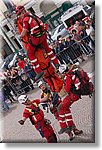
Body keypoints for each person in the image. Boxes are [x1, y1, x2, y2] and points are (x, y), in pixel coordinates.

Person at [16, 5, 59, 81]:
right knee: (47, 49)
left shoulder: (26, 19)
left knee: (30, 54)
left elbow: (25, 31)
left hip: (36, 38)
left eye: (20, 14)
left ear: (23, 11)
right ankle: (56, 63)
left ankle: (39, 71)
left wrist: (20, 36)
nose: (20, 16)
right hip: (43, 35)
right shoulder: (33, 15)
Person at [58, 64, 83, 135]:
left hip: (73, 95)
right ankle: (73, 128)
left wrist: (64, 84)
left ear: (63, 72)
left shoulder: (68, 77)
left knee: (60, 108)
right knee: (65, 109)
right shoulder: (71, 72)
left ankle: (63, 127)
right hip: (76, 94)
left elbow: (67, 89)